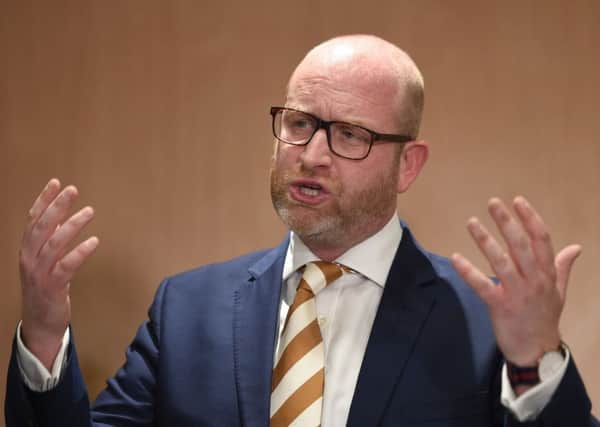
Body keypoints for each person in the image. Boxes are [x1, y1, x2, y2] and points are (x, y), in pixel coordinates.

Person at [5, 34, 597, 426]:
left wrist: (534, 364)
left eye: (349, 134)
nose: (312, 154)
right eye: (299, 123)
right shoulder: (186, 310)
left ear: (407, 165)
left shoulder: (480, 322)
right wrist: (43, 334)